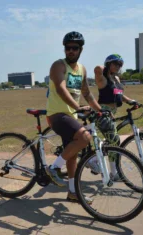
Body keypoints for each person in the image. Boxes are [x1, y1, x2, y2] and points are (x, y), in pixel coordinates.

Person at [45, 31, 103, 203]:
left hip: (71, 116)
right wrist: (78, 108)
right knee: (85, 137)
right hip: (57, 114)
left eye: (74, 48)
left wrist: (101, 111)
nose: (70, 51)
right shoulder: (58, 66)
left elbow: (87, 93)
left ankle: (72, 192)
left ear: (81, 49)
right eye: (67, 48)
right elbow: (61, 90)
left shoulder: (82, 70)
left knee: (72, 154)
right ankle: (54, 168)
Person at [94, 54, 140, 181]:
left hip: (111, 113)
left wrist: (130, 101)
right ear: (108, 64)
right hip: (102, 112)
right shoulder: (102, 78)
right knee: (114, 140)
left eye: (120, 65)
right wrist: (107, 65)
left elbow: (119, 94)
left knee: (112, 140)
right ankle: (112, 171)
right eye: (115, 64)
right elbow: (97, 68)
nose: (118, 66)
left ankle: (102, 161)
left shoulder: (116, 79)